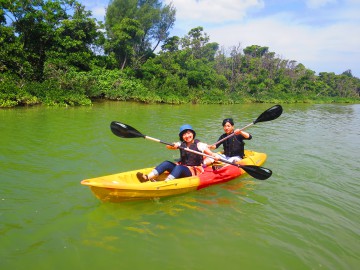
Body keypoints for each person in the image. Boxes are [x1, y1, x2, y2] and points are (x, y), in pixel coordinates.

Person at [136, 124, 220, 183]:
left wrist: (215, 156)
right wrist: (173, 145)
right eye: (184, 134)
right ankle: (147, 177)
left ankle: (166, 183)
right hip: (182, 167)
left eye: (188, 133)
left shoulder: (200, 145)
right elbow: (168, 147)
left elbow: (211, 154)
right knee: (166, 163)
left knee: (179, 167)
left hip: (193, 171)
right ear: (182, 137)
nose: (187, 136)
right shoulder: (181, 144)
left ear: (192, 134)